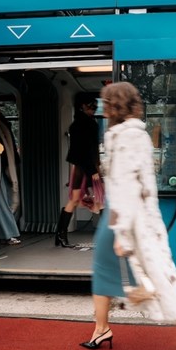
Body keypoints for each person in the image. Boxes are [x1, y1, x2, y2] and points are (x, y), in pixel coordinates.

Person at [80, 82, 176, 350]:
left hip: (125, 218)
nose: (101, 108)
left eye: (105, 103)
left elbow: (125, 189)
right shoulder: (137, 133)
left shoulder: (122, 137)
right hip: (137, 215)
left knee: (148, 273)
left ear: (113, 106)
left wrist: (121, 235)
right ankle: (101, 328)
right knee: (149, 272)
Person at [56, 93, 100, 247]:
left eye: (94, 105)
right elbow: (87, 150)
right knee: (100, 199)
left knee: (75, 200)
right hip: (87, 167)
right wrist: (93, 170)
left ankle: (60, 234)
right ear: (82, 107)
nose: (94, 108)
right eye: (91, 105)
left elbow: (79, 151)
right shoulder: (88, 124)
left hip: (81, 167)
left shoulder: (77, 125)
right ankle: (107, 236)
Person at [0, 103, 22, 245]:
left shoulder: (0, 126)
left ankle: (2, 232)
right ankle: (8, 234)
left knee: (6, 200)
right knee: (0, 202)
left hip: (3, 167)